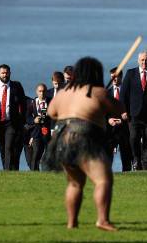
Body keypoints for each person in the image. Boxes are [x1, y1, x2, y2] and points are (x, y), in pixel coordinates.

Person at [43, 57, 123, 231]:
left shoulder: (64, 92)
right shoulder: (97, 91)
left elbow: (51, 112)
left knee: (75, 183)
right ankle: (102, 220)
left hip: (63, 141)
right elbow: (119, 109)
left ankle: (72, 223)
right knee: (103, 181)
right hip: (85, 138)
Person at [120, 51, 147, 170]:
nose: (144, 62)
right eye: (142, 60)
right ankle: (136, 158)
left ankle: (146, 163)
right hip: (133, 115)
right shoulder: (130, 74)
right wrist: (123, 111)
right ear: (138, 61)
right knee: (133, 138)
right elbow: (123, 94)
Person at [0, 64, 26, 170]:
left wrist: (23, 121)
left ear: (10, 73)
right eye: (3, 73)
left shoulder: (16, 86)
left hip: (11, 123)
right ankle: (6, 169)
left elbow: (23, 104)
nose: (5, 75)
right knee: (2, 148)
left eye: (7, 73)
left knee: (8, 146)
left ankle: (8, 171)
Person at [106, 67, 133, 172]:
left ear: (121, 77)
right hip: (111, 129)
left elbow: (132, 107)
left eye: (117, 77)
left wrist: (125, 118)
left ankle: (126, 174)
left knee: (126, 154)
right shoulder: (107, 93)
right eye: (113, 77)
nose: (115, 79)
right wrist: (109, 119)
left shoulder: (127, 92)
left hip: (125, 128)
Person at [24, 83, 51, 171]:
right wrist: (34, 120)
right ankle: (34, 172)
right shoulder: (32, 103)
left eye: (43, 91)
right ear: (36, 92)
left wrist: (49, 115)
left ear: (46, 92)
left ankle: (47, 171)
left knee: (47, 154)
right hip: (36, 133)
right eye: (40, 91)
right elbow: (27, 117)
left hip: (47, 132)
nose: (42, 93)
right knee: (36, 153)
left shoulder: (50, 102)